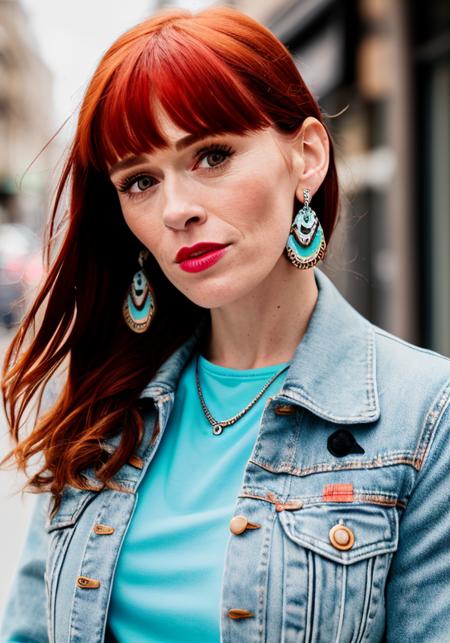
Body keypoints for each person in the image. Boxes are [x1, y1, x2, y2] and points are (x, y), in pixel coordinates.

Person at [1, 5, 449, 642]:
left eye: (212, 155)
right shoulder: (99, 401)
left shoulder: (426, 419)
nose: (177, 209)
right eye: (139, 181)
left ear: (308, 157)